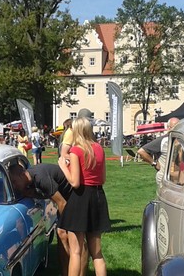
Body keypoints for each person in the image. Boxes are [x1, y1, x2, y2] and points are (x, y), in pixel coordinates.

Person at [8, 163, 83, 276]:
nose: (14, 186)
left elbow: (62, 203)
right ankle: (66, 272)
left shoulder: (41, 178)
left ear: (22, 175)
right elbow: (48, 194)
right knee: (62, 236)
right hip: (66, 199)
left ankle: (79, 272)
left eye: (14, 182)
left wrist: (66, 226)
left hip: (77, 198)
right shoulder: (31, 178)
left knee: (72, 238)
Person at [58, 117, 109, 276]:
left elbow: (75, 182)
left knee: (76, 251)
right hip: (98, 196)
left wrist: (62, 166)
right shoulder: (99, 148)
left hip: (80, 198)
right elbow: (103, 178)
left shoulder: (76, 150)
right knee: (97, 253)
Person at [137, 117, 180, 186]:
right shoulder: (163, 140)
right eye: (174, 127)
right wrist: (154, 163)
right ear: (168, 128)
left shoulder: (181, 140)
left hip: (178, 177)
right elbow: (141, 151)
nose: (176, 129)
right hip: (164, 178)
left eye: (178, 127)